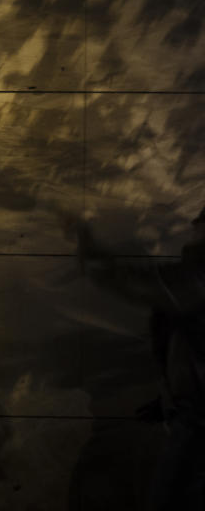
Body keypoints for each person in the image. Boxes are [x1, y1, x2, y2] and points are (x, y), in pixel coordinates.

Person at [77, 206, 205, 510]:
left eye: (200, 223)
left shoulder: (199, 276)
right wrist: (168, 403)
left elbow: (133, 283)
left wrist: (86, 243)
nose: (193, 227)